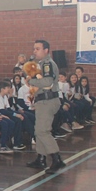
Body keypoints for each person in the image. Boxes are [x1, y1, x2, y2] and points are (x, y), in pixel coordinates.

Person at [26, 40, 66, 173]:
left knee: (43, 131)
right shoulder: (40, 64)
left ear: (46, 50)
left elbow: (48, 81)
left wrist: (30, 80)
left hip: (48, 101)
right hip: (42, 100)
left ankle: (56, 159)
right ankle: (41, 158)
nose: (34, 51)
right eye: (34, 48)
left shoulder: (47, 64)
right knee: (38, 130)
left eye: (37, 49)